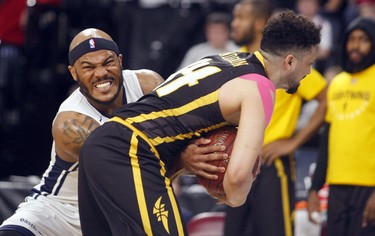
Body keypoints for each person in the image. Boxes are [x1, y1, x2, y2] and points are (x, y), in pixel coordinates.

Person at [78, 10, 321, 235]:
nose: (308, 71)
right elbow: (237, 177)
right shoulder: (260, 89)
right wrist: (234, 196)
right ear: (290, 62)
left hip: (102, 142)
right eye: (308, 63)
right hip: (130, 151)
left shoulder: (227, 60)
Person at [0, 28, 225, 236]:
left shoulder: (148, 84)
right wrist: (183, 160)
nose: (100, 73)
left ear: (120, 61)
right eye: (88, 67)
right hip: (60, 213)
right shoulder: (70, 123)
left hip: (113, 211)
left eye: (108, 62)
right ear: (73, 73)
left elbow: (183, 131)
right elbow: (129, 172)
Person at [224, 1, 328, 235]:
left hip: (271, 164)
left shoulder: (285, 63)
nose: (234, 24)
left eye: (240, 18)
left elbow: (326, 98)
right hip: (236, 162)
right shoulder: (235, 60)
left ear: (259, 22)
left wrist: (293, 141)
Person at [307, 17, 375, 236]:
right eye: (351, 40)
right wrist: (315, 189)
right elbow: (327, 139)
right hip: (337, 184)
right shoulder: (336, 83)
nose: (355, 45)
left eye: (363, 40)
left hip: (369, 186)